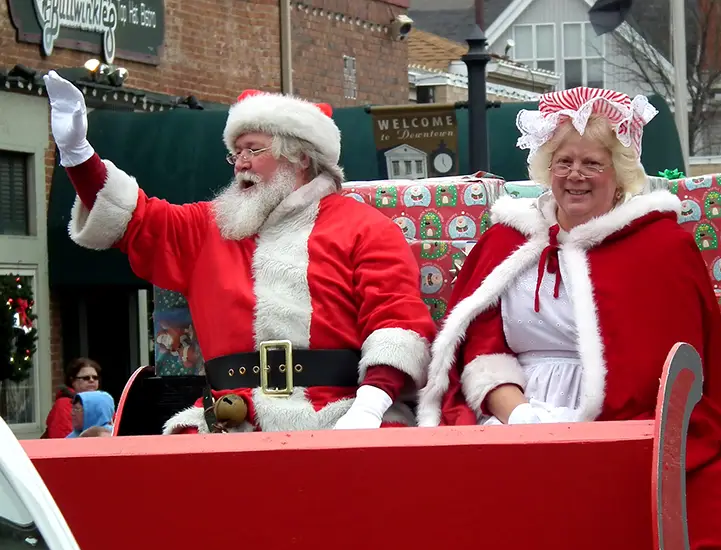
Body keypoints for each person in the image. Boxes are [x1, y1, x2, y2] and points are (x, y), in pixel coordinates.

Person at [417, 88, 721, 550]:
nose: (575, 175)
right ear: (546, 166)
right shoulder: (506, 241)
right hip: (512, 410)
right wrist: (519, 416)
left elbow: (662, 369)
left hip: (627, 422)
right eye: (563, 161)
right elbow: (479, 347)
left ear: (620, 172)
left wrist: (573, 430)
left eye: (592, 163)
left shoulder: (660, 246)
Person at [43, 72, 435, 434]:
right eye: (236, 153)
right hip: (229, 421)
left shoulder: (364, 227)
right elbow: (134, 219)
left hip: (339, 413)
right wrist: (78, 154)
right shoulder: (209, 228)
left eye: (252, 150)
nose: (240, 165)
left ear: (299, 156)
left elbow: (396, 323)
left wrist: (368, 408)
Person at [42, 358, 101, 439]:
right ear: (73, 381)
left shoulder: (103, 403)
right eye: (86, 378)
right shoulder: (64, 404)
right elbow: (63, 439)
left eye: (95, 377)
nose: (91, 380)